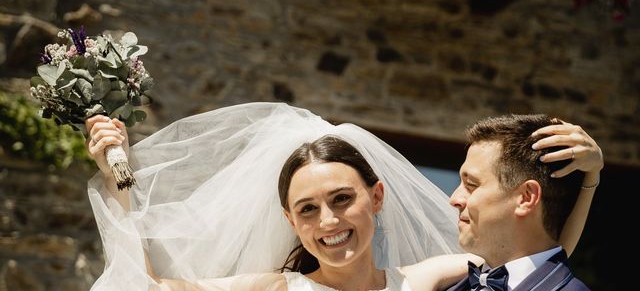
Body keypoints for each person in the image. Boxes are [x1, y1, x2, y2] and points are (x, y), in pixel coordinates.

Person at [84, 103, 601, 290]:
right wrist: (117, 181)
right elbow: (145, 287)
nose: (328, 221)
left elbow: (540, 260)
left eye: (341, 199)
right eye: (307, 209)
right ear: (291, 220)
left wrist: (591, 178)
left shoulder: (425, 280)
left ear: (377, 197)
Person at [446, 114, 601, 291]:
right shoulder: (442, 282)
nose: (454, 200)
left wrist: (593, 175)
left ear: (527, 197)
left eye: (471, 185)